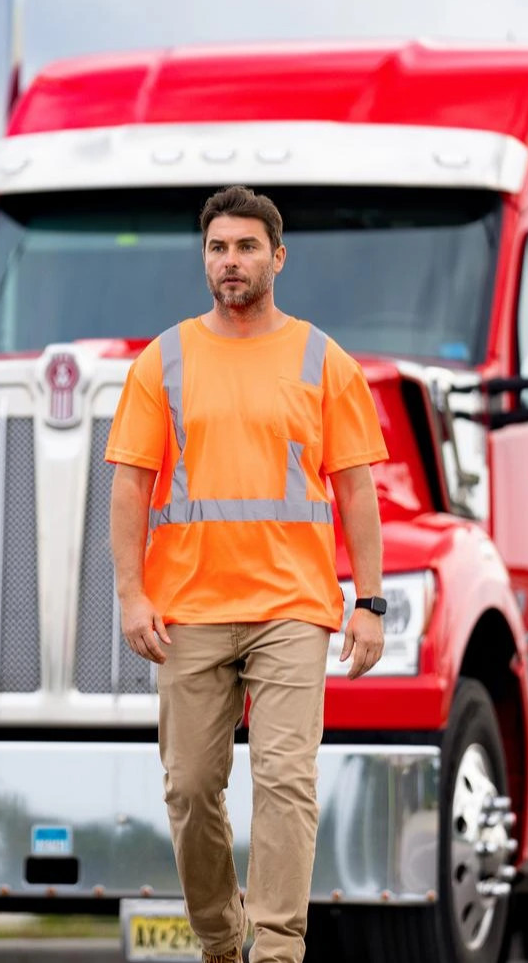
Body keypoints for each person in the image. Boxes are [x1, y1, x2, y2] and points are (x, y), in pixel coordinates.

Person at [106, 185, 389, 963]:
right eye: (217, 248)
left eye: (245, 247)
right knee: (190, 788)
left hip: (292, 607)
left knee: (285, 781)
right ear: (204, 258)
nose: (230, 261)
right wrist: (131, 595)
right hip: (189, 610)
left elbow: (357, 487)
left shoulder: (322, 360)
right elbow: (129, 485)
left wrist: (368, 602)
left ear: (277, 257)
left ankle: (276, 951)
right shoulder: (162, 361)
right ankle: (221, 941)